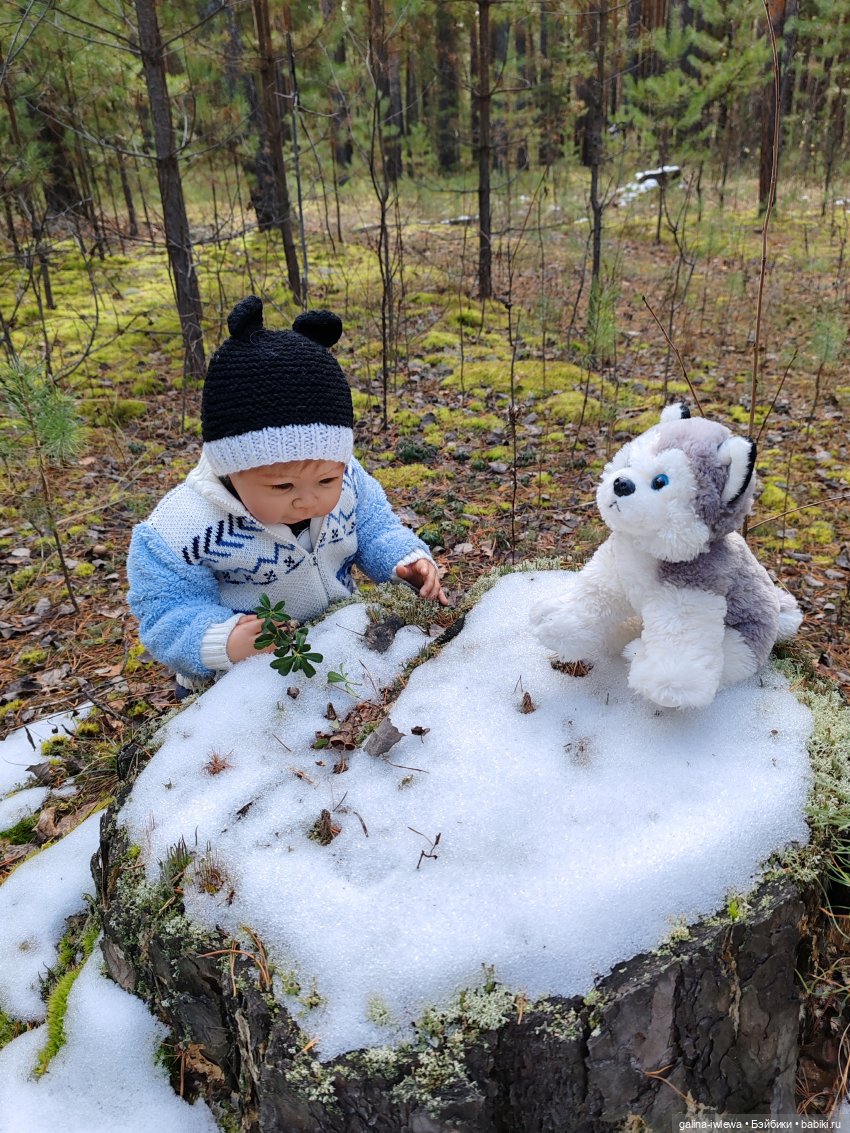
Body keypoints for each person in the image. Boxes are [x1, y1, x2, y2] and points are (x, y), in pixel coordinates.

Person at [127, 296, 447, 693]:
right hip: (239, 680)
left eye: (326, 481)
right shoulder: (180, 530)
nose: (308, 500)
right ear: (230, 469)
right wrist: (224, 640)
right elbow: (166, 611)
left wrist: (404, 560)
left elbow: (375, 528)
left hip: (335, 641)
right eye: (282, 486)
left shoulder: (349, 479)